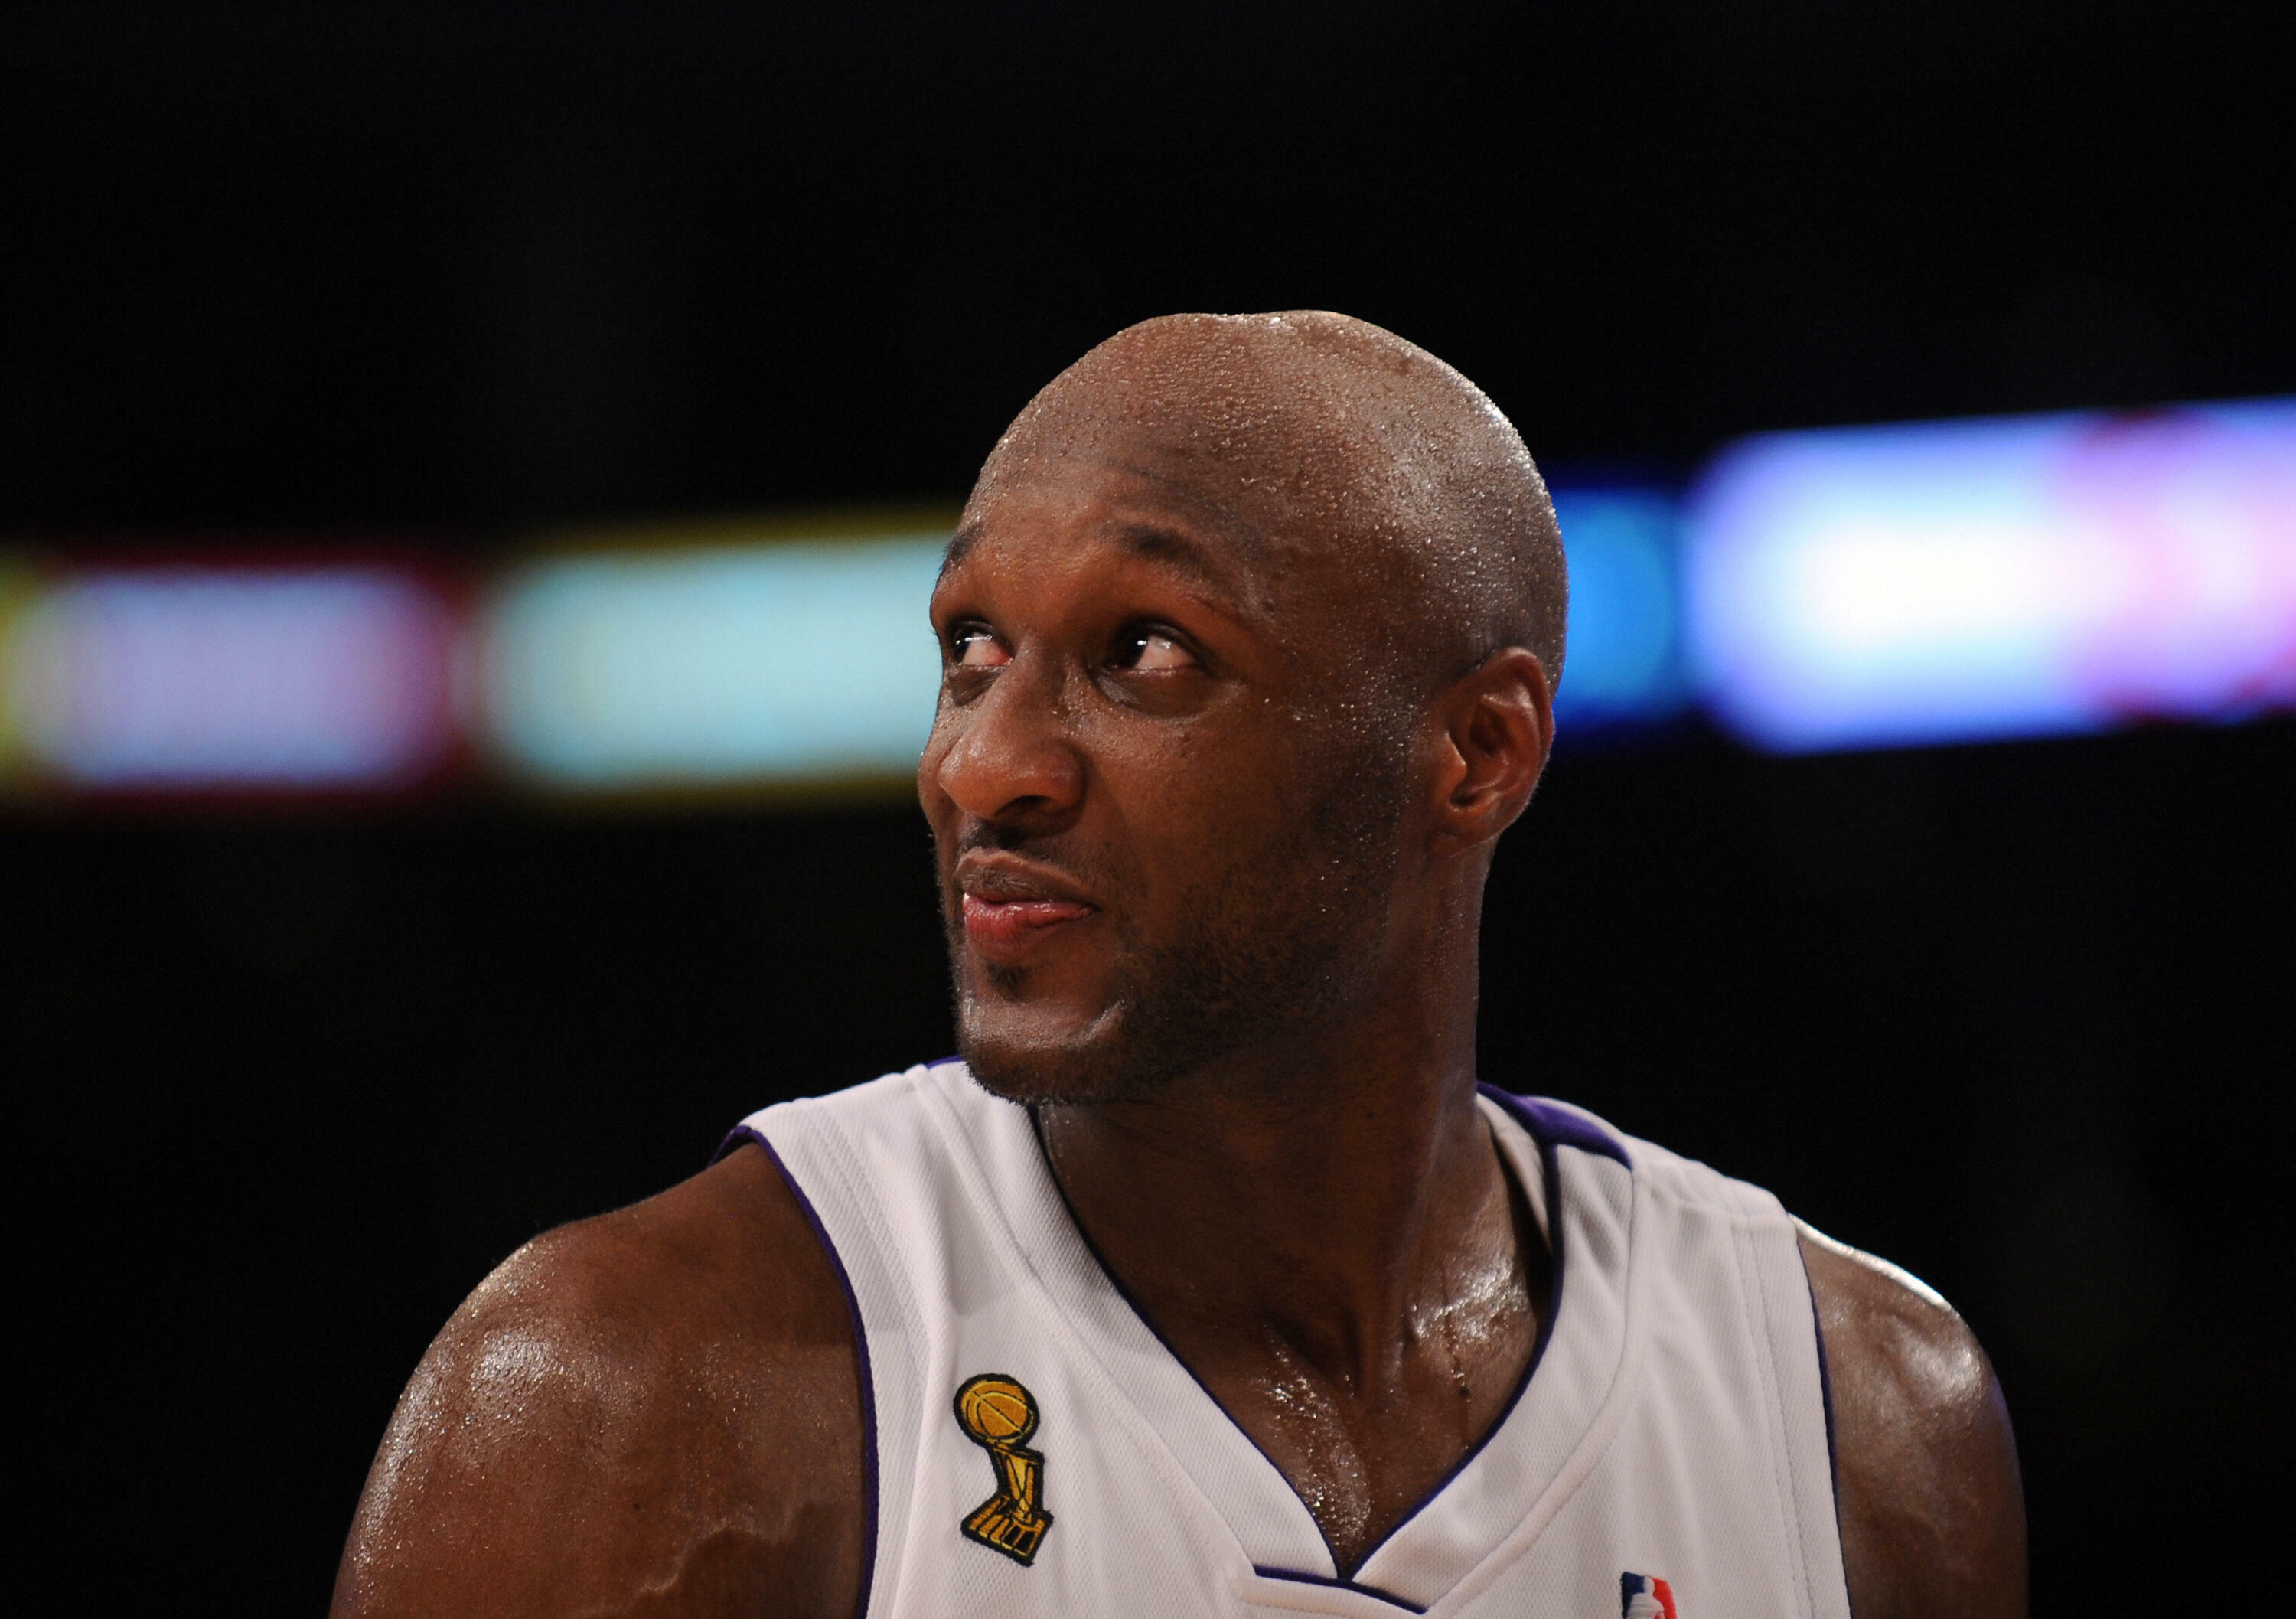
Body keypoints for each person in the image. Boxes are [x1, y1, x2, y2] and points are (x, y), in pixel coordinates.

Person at [332, 312, 2025, 1618]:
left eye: (1143, 653)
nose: (984, 765)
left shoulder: (1862, 1416)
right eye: (970, 648)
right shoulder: (638, 1386)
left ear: (1475, 753)